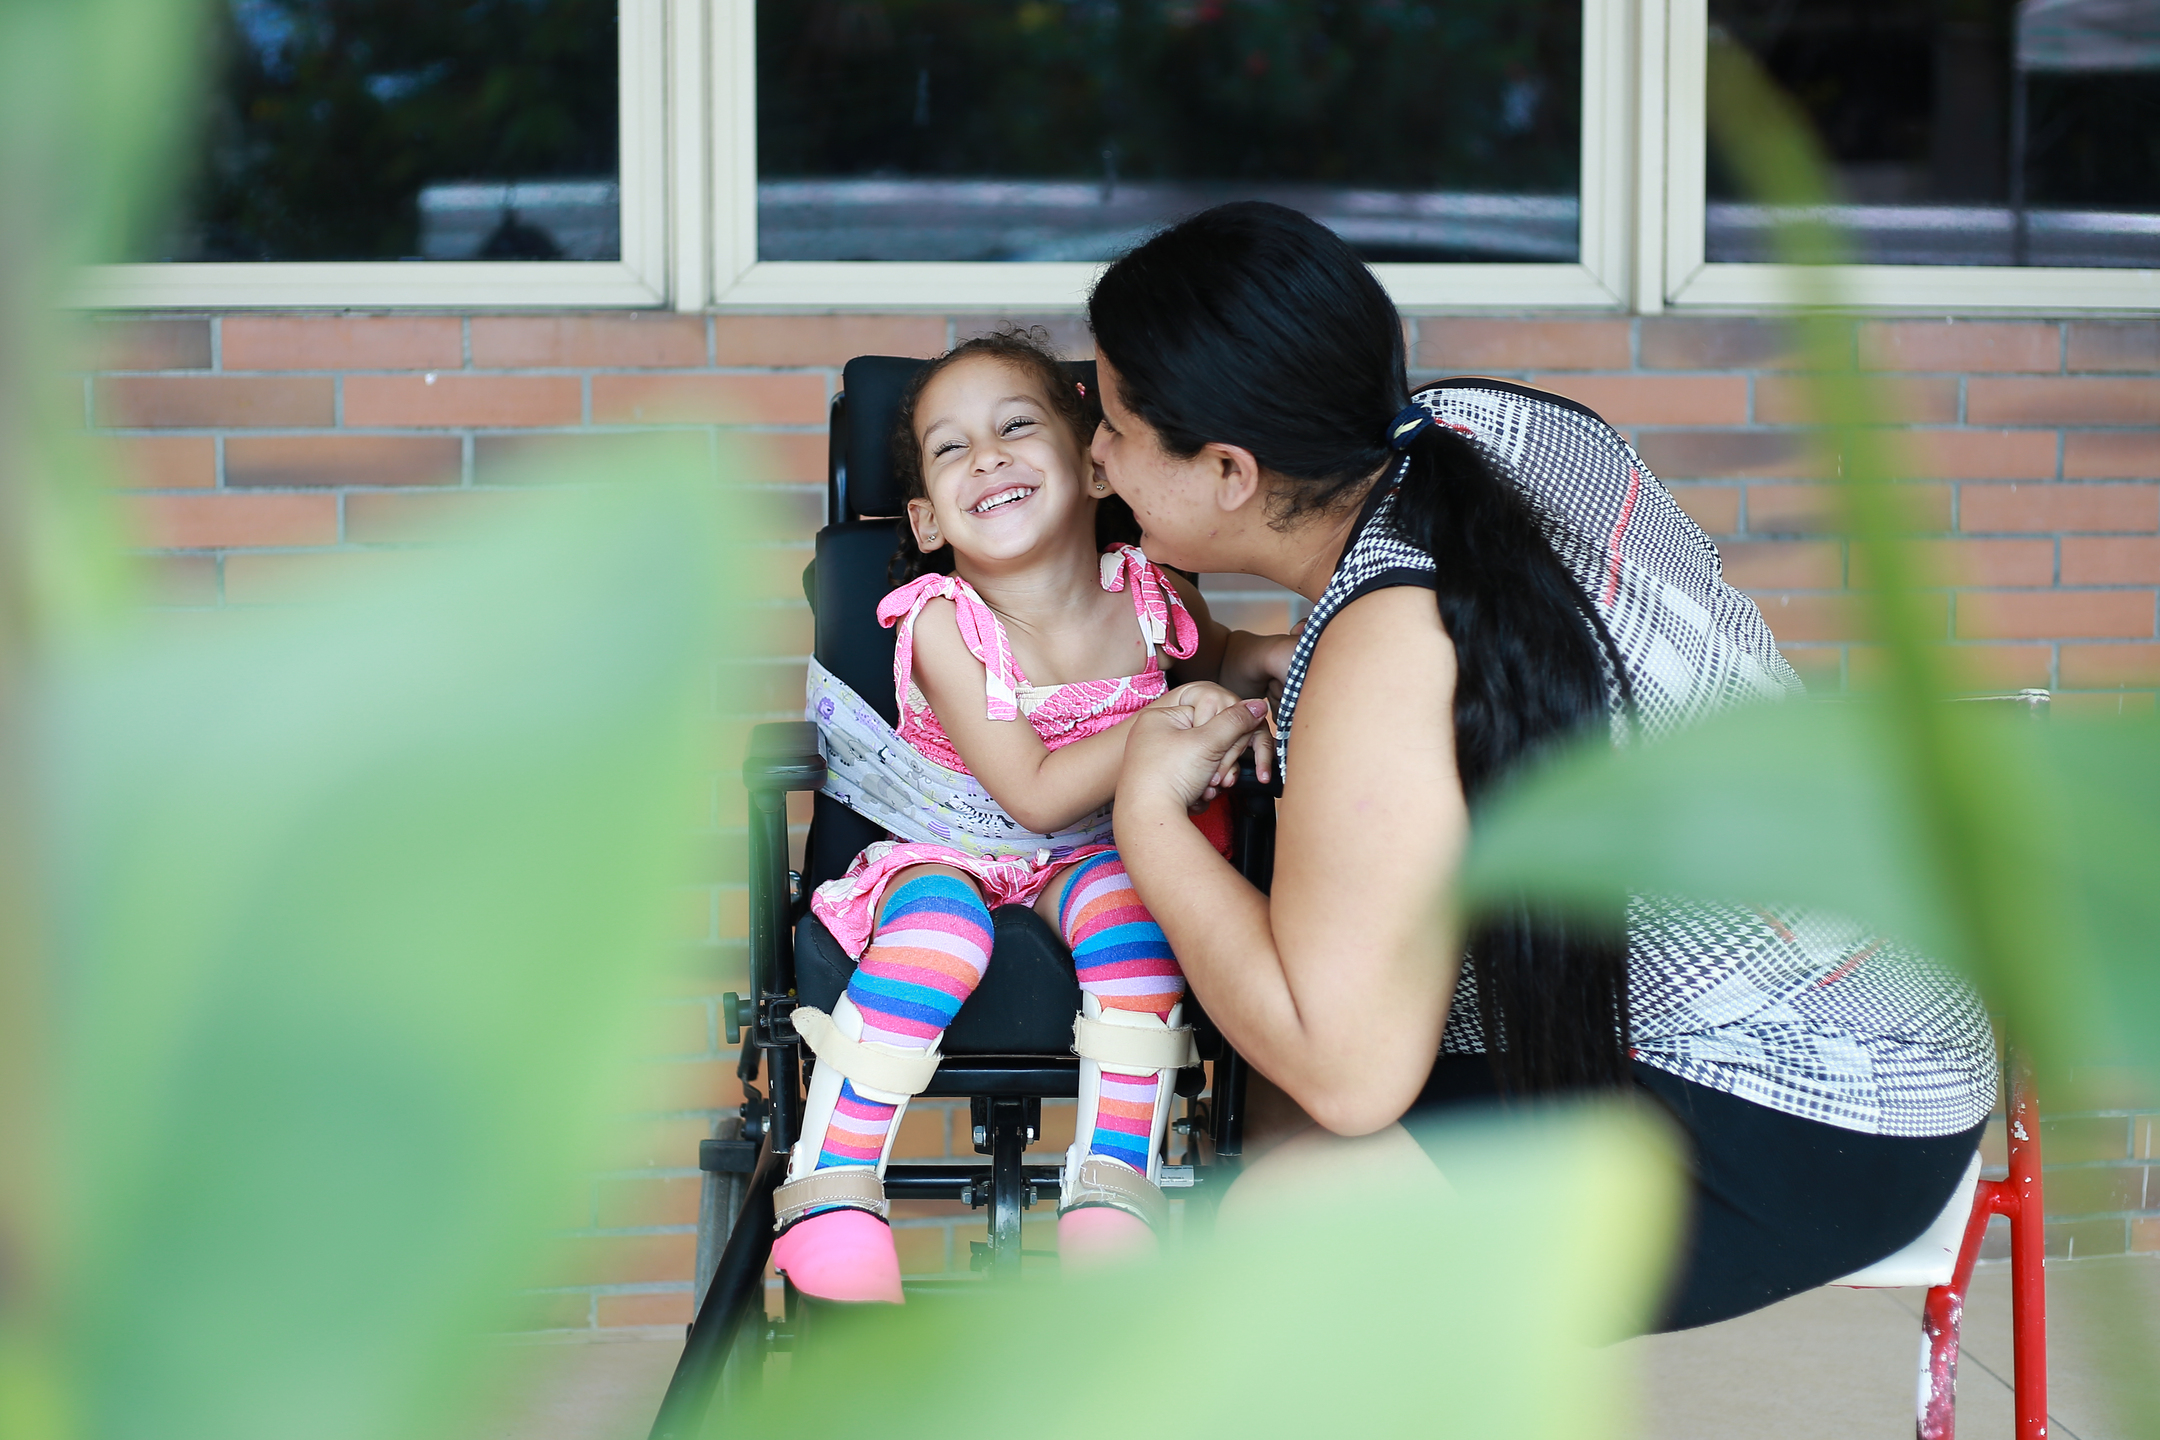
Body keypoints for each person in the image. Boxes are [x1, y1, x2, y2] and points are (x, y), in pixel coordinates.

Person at [1089, 202, 1996, 1330]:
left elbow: (1350, 1070)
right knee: (1281, 1076)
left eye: (1116, 425)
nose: (1092, 455)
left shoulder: (1383, 643)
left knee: (1296, 1213)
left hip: (1811, 1106)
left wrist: (1149, 821)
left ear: (1229, 470)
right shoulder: (1480, 432)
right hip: (1880, 1000)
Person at [776, 330, 1290, 1304]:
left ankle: (1110, 1186)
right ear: (926, 517)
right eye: (953, 447)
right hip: (948, 847)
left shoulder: (1151, 591)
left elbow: (1209, 655)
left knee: (1137, 912)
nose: (991, 457)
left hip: (1089, 851)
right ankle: (832, 1188)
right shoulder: (941, 622)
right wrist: (1168, 723)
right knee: (943, 928)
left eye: (1019, 427)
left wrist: (1261, 664)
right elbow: (1036, 792)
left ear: (1094, 466)